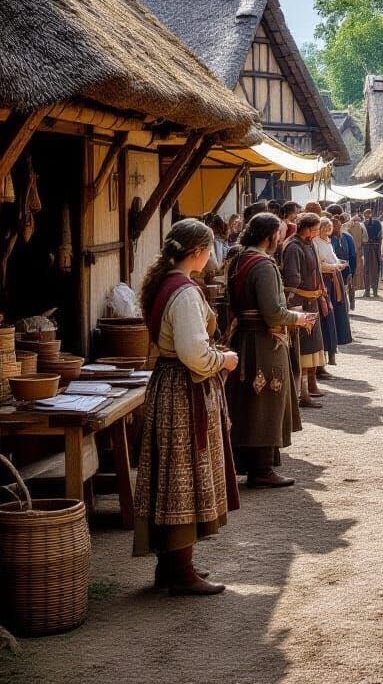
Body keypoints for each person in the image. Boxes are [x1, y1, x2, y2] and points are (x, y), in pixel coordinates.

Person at [132, 218, 240, 595]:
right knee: (183, 475)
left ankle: (173, 566)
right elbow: (193, 353)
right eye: (208, 248)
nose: (210, 255)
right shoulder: (185, 292)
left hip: (169, 385)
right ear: (197, 252)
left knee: (172, 474)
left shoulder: (164, 283)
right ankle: (180, 571)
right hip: (183, 389)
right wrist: (222, 361)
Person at [224, 214, 315, 488]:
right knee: (264, 402)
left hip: (246, 339)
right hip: (263, 343)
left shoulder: (238, 259)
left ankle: (257, 465)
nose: (281, 238)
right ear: (268, 236)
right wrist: (297, 319)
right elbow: (273, 312)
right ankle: (261, 470)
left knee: (249, 403)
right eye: (279, 233)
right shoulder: (262, 264)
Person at [280, 212, 328, 407]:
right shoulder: (293, 246)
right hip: (299, 302)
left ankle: (309, 388)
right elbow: (293, 279)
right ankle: (302, 394)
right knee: (301, 349)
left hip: (311, 300)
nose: (317, 232)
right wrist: (297, 300)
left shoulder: (307, 243)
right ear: (307, 228)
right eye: (315, 228)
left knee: (312, 346)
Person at [315, 216, 352, 365]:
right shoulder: (316, 243)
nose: (327, 229)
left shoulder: (328, 242)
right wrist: (335, 267)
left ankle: (332, 352)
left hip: (334, 278)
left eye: (328, 227)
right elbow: (320, 264)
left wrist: (339, 263)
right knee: (327, 314)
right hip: (324, 280)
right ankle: (326, 354)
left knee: (336, 314)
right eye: (324, 227)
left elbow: (332, 258)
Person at [344, 211, 367, 306]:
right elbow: (365, 239)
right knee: (352, 278)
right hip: (356, 254)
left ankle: (348, 303)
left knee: (347, 279)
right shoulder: (361, 226)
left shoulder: (343, 229)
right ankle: (352, 303)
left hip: (345, 256)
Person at [362, 207, 382, 298]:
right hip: (374, 247)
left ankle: (368, 291)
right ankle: (373, 291)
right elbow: (380, 235)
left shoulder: (363, 224)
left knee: (368, 269)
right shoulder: (378, 223)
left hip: (368, 247)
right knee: (374, 269)